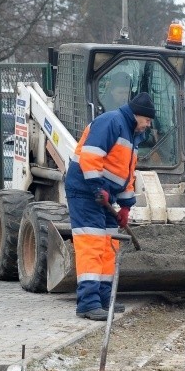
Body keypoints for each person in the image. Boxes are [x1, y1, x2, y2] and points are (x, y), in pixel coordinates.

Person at [65, 92, 155, 321]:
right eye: (147, 120)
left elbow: (126, 175)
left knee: (108, 246)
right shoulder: (111, 122)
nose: (148, 125)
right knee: (92, 245)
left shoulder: (132, 135)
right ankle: (87, 303)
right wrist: (97, 187)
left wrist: (126, 205)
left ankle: (104, 299)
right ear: (137, 115)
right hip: (85, 193)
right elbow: (90, 156)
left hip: (104, 197)